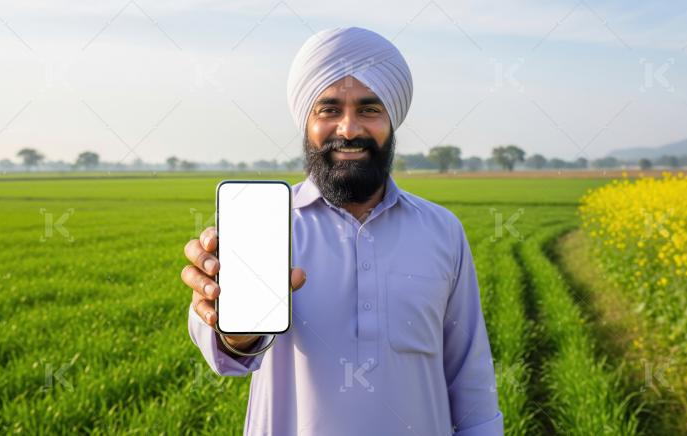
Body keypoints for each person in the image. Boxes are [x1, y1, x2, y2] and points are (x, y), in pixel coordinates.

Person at [181, 26, 503, 435]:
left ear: (392, 120)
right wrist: (234, 331)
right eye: (328, 109)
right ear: (306, 123)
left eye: (369, 109)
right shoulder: (268, 226)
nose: (348, 129)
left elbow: (469, 377)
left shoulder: (441, 231)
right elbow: (225, 351)